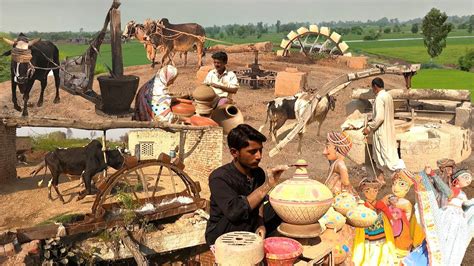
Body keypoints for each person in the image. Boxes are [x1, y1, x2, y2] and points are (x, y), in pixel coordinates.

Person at [205, 124, 287, 248]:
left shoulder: (258, 173)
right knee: (239, 215)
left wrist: (260, 223)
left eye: (260, 150)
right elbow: (235, 212)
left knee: (279, 207)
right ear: (234, 152)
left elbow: (259, 203)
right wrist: (267, 186)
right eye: (252, 152)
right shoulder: (219, 178)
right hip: (224, 231)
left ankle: (262, 241)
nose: (259, 156)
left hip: (249, 222)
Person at [363, 78, 404, 183]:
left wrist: (369, 128)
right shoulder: (388, 96)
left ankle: (398, 180)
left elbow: (380, 117)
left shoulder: (379, 98)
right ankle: (381, 179)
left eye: (372, 88)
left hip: (382, 131)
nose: (372, 90)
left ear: (375, 87)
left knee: (384, 157)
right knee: (385, 155)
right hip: (389, 130)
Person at [352, 178, 397, 266]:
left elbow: (388, 214)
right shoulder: (362, 206)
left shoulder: (381, 204)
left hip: (382, 231)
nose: (372, 194)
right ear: (363, 192)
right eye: (367, 191)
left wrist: (391, 221)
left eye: (375, 191)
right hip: (368, 232)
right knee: (370, 249)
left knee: (383, 248)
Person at [323, 131, 358, 197]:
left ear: (336, 149)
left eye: (327, 147)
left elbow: (343, 169)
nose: (324, 152)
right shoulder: (335, 163)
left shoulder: (339, 163)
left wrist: (346, 183)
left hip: (338, 199)